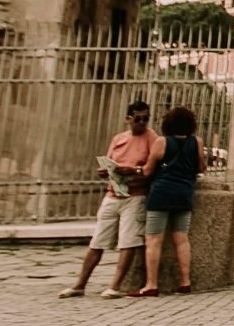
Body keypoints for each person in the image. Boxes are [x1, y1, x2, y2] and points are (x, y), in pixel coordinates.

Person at [66, 99, 165, 298]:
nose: (142, 123)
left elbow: (153, 168)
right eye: (138, 119)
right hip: (113, 193)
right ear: (128, 119)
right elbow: (109, 161)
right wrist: (104, 171)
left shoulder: (152, 138)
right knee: (98, 240)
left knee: (127, 242)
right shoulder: (119, 138)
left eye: (146, 119)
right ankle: (79, 284)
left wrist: (133, 170)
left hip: (136, 194)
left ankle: (115, 285)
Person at [134, 106, 203, 295]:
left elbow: (148, 170)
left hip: (162, 193)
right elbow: (201, 167)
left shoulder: (162, 141)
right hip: (185, 193)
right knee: (181, 238)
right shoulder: (196, 142)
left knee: (154, 239)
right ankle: (185, 282)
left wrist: (145, 168)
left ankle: (151, 284)